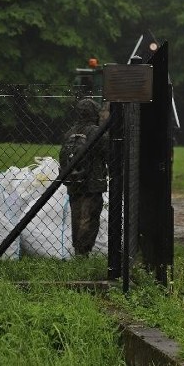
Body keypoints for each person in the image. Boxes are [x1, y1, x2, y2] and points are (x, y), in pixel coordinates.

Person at [60, 98, 108, 256]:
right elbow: (108, 154)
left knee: (77, 216)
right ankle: (84, 251)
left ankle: (78, 249)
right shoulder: (97, 131)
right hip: (93, 183)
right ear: (94, 113)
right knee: (89, 217)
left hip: (73, 182)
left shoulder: (69, 132)